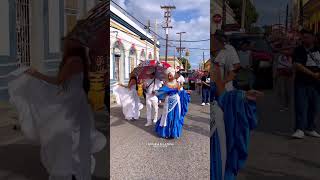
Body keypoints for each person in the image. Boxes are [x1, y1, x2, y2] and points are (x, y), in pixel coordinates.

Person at [8, 39, 106, 180]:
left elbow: (58, 81)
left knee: (59, 132)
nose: (63, 46)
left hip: (70, 102)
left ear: (72, 46)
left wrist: (35, 74)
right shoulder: (82, 60)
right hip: (77, 100)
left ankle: (66, 168)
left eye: (66, 43)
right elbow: (70, 83)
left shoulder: (73, 61)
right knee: (74, 134)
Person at [210, 60, 263, 180]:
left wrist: (243, 97)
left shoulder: (215, 66)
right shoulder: (214, 65)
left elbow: (223, 96)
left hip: (215, 130)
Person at [292, 29, 320, 139]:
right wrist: (313, 74)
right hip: (302, 83)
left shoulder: (318, 49)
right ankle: (300, 129)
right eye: (304, 37)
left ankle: (310, 128)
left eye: (307, 37)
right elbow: (297, 65)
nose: (305, 39)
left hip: (316, 85)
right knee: (301, 106)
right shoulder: (299, 50)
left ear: (313, 38)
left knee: (314, 107)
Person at [155, 67, 191, 139]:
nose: (169, 77)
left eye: (170, 75)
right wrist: (157, 92)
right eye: (168, 75)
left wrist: (186, 92)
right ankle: (166, 132)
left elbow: (180, 91)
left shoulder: (177, 83)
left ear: (174, 75)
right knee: (168, 116)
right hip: (168, 101)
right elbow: (161, 92)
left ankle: (173, 133)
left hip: (176, 102)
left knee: (175, 116)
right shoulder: (166, 83)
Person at [275, 47, 294, 111]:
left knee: (288, 91)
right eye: (284, 50)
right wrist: (275, 75)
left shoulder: (292, 57)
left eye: (288, 50)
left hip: (289, 76)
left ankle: (287, 105)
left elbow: (294, 67)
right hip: (281, 75)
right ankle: (282, 106)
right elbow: (276, 66)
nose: (286, 51)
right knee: (281, 91)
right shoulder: (279, 57)